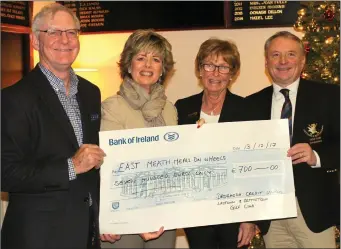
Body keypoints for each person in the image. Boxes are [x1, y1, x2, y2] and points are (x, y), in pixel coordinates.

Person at [1, 3, 108, 249]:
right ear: (36, 41)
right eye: (54, 32)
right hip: (38, 236)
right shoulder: (13, 99)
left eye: (71, 32)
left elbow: (93, 168)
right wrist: (71, 166)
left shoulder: (91, 92)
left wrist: (105, 217)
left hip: (85, 233)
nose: (65, 40)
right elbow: (6, 174)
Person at [246, 31, 340, 248]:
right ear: (266, 62)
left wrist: (316, 155)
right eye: (275, 54)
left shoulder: (331, 96)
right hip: (271, 214)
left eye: (290, 54)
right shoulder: (251, 104)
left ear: (303, 60)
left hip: (313, 212)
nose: (283, 61)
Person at [174, 38, 257, 249]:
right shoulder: (182, 108)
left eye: (223, 67)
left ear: (232, 74)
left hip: (234, 212)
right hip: (196, 212)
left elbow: (254, 168)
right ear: (200, 70)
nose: (215, 73)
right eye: (209, 65)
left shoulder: (247, 109)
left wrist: (249, 218)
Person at [100, 29, 177, 248]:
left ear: (163, 68)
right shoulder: (112, 107)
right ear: (128, 64)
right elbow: (110, 168)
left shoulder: (170, 109)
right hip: (124, 219)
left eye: (155, 59)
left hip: (164, 215)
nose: (147, 65)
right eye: (140, 58)